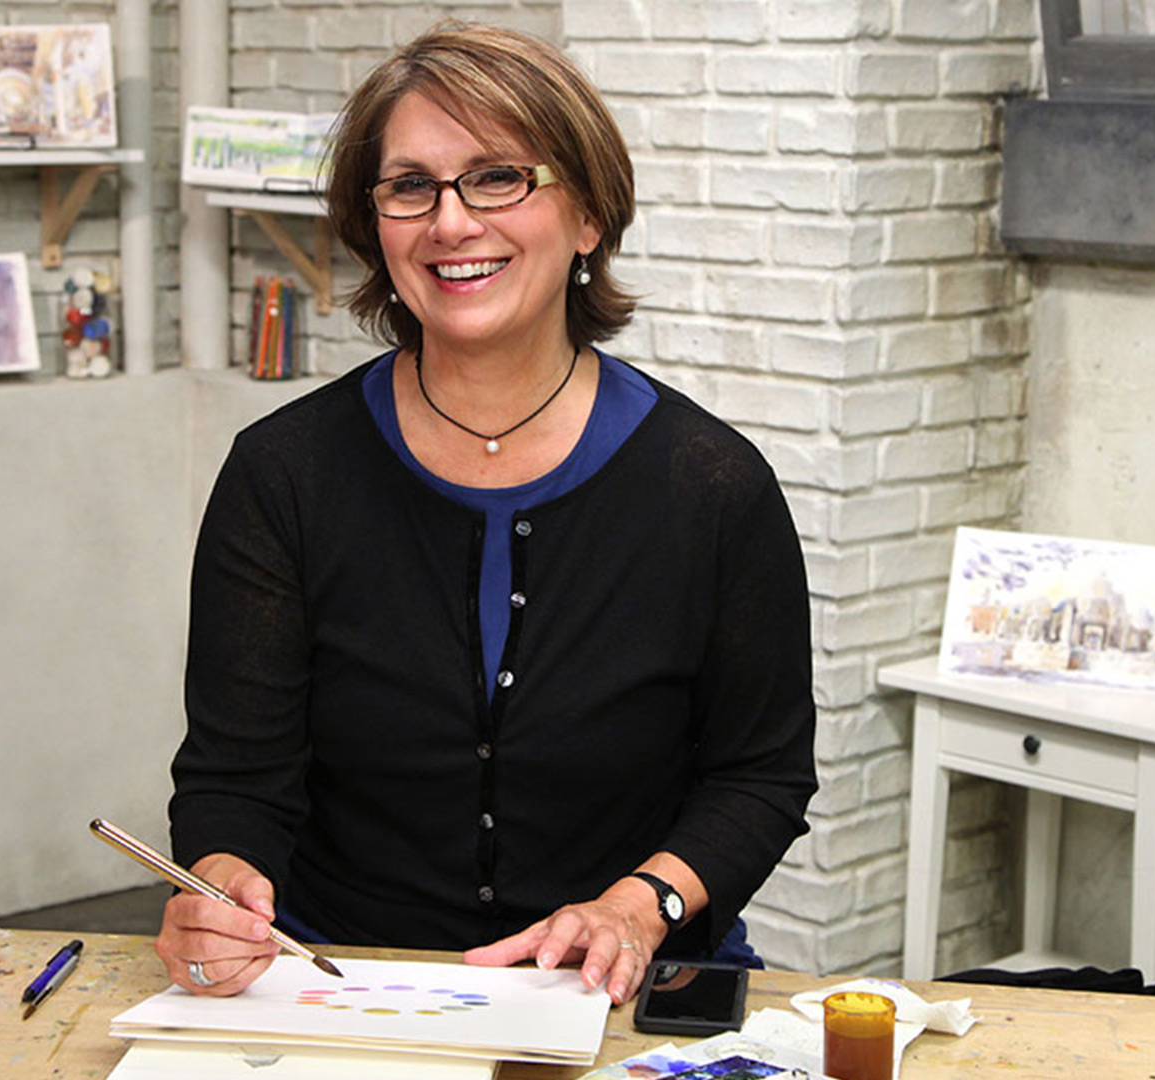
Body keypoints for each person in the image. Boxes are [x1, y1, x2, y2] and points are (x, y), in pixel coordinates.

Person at [156, 21, 816, 1006]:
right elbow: (234, 780)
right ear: (374, 223)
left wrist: (641, 908)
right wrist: (219, 885)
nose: (451, 223)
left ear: (588, 214)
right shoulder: (285, 474)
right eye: (410, 186)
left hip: (619, 986)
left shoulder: (712, 485)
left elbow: (759, 778)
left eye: (499, 176)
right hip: (340, 983)